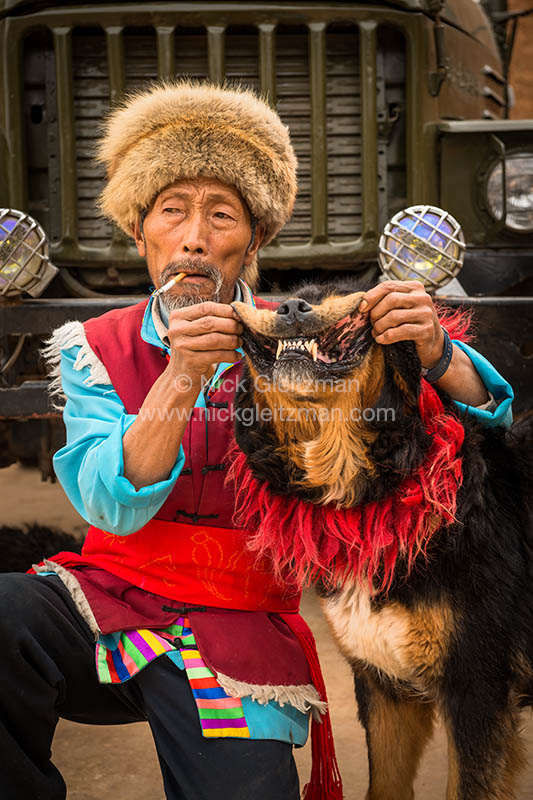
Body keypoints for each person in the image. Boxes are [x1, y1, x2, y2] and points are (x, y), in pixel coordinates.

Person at [0, 81, 513, 800]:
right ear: (139, 233)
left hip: (235, 630)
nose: (195, 238)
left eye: (221, 215)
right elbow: (109, 507)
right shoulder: (96, 347)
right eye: (171, 212)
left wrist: (435, 351)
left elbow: (480, 421)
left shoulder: (301, 333)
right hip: (108, 604)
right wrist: (181, 375)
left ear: (255, 240)